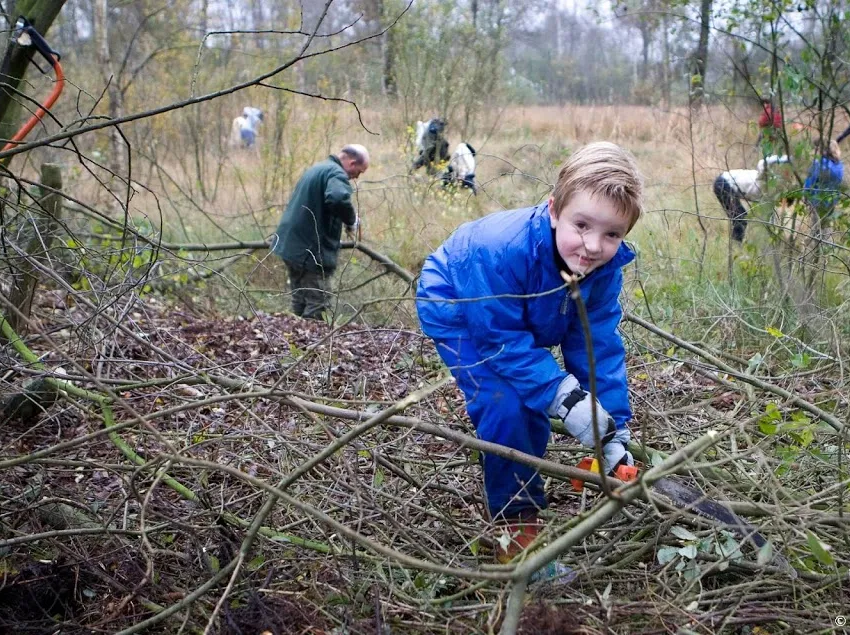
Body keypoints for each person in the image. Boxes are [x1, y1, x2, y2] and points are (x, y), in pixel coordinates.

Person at [416, 142, 644, 583]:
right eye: (582, 225)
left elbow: (597, 346)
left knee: (540, 393)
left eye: (612, 234)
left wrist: (612, 429)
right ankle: (518, 543)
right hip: (460, 304)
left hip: (520, 315)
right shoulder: (502, 249)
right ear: (554, 209)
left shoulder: (601, 267)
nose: (593, 246)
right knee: (508, 406)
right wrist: (562, 396)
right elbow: (500, 339)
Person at [271, 144, 370, 320]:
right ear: (353, 163)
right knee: (318, 302)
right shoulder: (336, 173)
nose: (356, 177)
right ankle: (311, 345)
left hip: (291, 245)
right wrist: (351, 220)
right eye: (359, 172)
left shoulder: (318, 168)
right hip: (308, 249)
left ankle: (295, 341)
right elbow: (338, 198)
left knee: (300, 299)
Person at [713, 155, 789, 242]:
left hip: (728, 186)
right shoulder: (764, 179)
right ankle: (735, 246)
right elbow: (763, 162)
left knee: (740, 217)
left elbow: (769, 217)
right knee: (740, 218)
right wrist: (784, 159)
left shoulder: (770, 196)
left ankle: (736, 244)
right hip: (723, 182)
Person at [803, 139, 844, 223]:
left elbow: (810, 182)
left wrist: (805, 196)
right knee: (826, 225)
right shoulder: (839, 166)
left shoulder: (819, 164)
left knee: (816, 225)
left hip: (817, 199)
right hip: (832, 200)